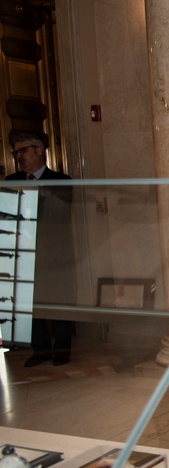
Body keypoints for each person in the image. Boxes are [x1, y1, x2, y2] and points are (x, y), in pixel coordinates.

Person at [7, 132, 74, 367]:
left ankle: (62, 349)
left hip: (55, 253)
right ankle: (41, 349)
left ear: (38, 150)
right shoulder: (10, 181)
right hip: (23, 253)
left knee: (58, 301)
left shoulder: (62, 180)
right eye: (15, 152)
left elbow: (63, 215)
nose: (18, 156)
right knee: (30, 303)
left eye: (22, 150)